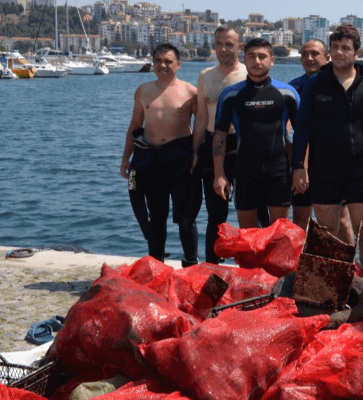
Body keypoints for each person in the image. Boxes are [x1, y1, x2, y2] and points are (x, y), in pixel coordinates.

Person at [293, 24, 363, 269]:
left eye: (345, 48)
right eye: (335, 47)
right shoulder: (315, 84)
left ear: (357, 52)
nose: (339, 52)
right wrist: (298, 166)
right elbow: (302, 127)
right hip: (323, 171)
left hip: (360, 170)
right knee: (327, 234)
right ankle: (332, 287)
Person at [120, 43, 200, 266]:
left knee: (186, 217)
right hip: (151, 159)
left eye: (168, 61)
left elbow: (201, 125)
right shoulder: (143, 91)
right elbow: (135, 125)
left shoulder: (190, 92)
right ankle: (156, 264)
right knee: (156, 215)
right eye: (158, 61)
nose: (162, 65)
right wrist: (126, 158)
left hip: (180, 159)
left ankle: (191, 263)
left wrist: (197, 155)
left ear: (179, 64)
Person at [212, 38, 300, 228]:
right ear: (244, 59)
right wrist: (219, 174)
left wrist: (301, 169)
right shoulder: (230, 95)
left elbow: (301, 135)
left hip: (279, 172)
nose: (257, 61)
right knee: (248, 236)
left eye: (262, 56)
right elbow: (219, 136)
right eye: (251, 56)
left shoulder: (287, 93)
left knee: (278, 234)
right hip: (245, 172)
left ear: (272, 60)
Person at [192, 26, 246, 264]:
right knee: (215, 214)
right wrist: (195, 151)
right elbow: (201, 117)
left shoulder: (249, 73)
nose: (223, 49)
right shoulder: (205, 75)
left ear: (239, 47)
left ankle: (250, 267)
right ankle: (211, 267)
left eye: (229, 44)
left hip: (242, 147)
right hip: (212, 144)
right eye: (219, 44)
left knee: (248, 211)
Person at [288, 38, 345, 235]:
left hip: (332, 163)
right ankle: (303, 256)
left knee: (342, 220)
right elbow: (284, 127)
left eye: (315, 54)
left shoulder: (338, 84)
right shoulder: (293, 87)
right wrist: (296, 160)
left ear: (327, 57)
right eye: (304, 54)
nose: (309, 58)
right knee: (300, 219)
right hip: (300, 162)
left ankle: (346, 256)